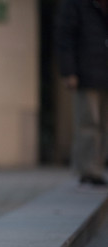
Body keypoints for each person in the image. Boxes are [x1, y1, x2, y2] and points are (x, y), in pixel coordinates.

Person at [55, 0, 108, 186]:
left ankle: (99, 166)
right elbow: (65, 36)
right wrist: (69, 71)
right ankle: (89, 170)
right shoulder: (76, 3)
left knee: (103, 125)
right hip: (87, 72)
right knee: (88, 123)